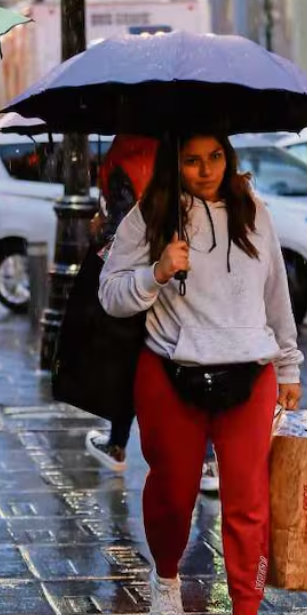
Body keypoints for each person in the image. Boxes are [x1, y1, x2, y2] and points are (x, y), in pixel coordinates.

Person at [99, 133, 303, 615]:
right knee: (173, 493)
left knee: (248, 501)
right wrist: (157, 272)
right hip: (172, 374)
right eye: (193, 160)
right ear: (175, 161)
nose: (207, 170)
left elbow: (275, 292)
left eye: (215, 157)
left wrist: (288, 365)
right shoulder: (151, 215)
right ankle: (165, 575)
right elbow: (111, 293)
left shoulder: (252, 210)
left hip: (248, 373)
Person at [83, 136, 220, 492]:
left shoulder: (124, 160)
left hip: (149, 280)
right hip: (172, 278)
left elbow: (127, 221)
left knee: (136, 363)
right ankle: (204, 460)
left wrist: (107, 228)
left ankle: (119, 444)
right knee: (193, 360)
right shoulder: (170, 147)